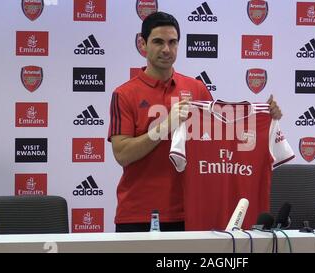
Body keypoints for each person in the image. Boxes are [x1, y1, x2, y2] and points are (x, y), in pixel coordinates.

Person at [108, 11, 283, 232]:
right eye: (158, 42)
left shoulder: (196, 89)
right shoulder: (124, 94)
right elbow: (122, 154)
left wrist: (266, 118)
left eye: (172, 42)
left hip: (194, 211)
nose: (166, 49)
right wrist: (165, 126)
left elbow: (225, 137)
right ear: (142, 44)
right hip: (139, 213)